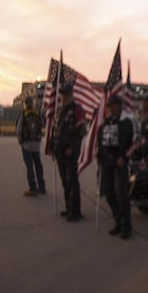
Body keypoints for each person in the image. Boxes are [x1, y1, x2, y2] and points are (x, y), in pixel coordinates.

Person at [98, 94, 135, 239]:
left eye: (113, 104)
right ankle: (118, 221)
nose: (110, 107)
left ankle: (127, 225)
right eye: (109, 105)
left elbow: (134, 143)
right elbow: (100, 143)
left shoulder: (126, 122)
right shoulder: (105, 123)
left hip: (120, 165)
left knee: (122, 195)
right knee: (109, 194)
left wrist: (124, 157)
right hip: (107, 165)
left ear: (119, 105)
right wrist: (100, 158)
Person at [52, 83, 87, 222]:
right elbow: (56, 130)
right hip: (60, 151)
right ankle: (68, 207)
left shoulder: (77, 109)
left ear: (71, 94)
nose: (63, 96)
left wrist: (72, 147)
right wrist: (52, 145)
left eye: (66, 94)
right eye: (62, 94)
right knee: (64, 182)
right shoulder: (61, 111)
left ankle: (76, 211)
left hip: (70, 152)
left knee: (72, 181)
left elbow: (81, 130)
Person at [16, 96, 46, 196]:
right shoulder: (38, 114)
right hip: (36, 143)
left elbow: (19, 129)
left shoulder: (23, 115)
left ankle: (32, 188)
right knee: (38, 165)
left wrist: (20, 140)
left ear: (25, 104)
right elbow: (43, 124)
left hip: (26, 144)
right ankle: (41, 186)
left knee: (29, 166)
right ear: (32, 103)